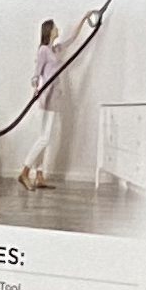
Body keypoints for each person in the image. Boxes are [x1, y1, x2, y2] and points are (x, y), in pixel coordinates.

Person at [17, 12, 87, 190]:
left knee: (45, 136)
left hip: (55, 96)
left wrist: (84, 18)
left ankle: (39, 175)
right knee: (44, 138)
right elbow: (36, 73)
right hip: (46, 96)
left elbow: (73, 39)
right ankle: (25, 171)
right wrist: (35, 88)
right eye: (55, 27)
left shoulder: (55, 50)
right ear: (49, 31)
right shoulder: (43, 51)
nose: (58, 29)